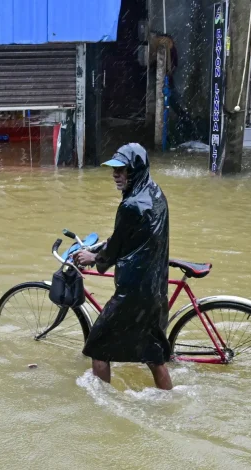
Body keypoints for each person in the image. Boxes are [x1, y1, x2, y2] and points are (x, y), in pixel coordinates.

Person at [72, 143, 173, 390]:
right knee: (153, 356)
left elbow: (117, 247)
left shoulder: (130, 205)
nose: (115, 175)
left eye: (121, 170)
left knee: (97, 347)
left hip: (133, 293)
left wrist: (93, 257)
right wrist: (104, 247)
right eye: (114, 170)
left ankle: (101, 405)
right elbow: (130, 238)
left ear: (135, 170)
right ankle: (168, 398)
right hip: (154, 289)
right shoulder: (155, 193)